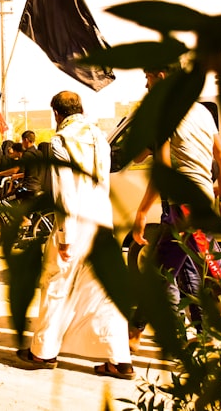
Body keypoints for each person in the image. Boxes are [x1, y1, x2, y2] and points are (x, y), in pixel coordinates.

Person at [132, 67, 221, 340]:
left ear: (161, 77)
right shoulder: (201, 111)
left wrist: (141, 212)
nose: (146, 84)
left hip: (187, 206)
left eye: (148, 77)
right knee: (161, 273)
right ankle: (134, 333)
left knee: (220, 276)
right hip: (193, 203)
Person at [17, 91, 134, 379]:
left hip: (75, 223)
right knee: (105, 292)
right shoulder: (100, 137)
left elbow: (64, 192)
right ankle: (120, 361)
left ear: (57, 114)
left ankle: (43, 353)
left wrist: (64, 236)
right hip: (101, 221)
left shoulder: (60, 141)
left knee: (57, 284)